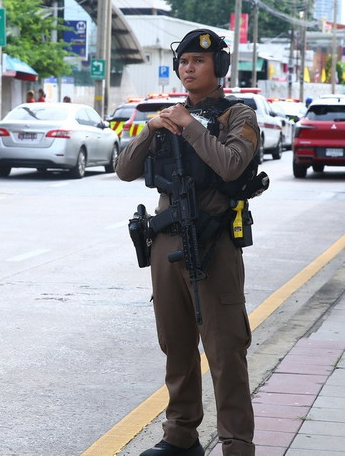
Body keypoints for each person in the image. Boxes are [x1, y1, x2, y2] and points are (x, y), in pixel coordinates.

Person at [116, 28, 260, 456]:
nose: (189, 67)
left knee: (225, 348)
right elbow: (125, 170)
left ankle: (236, 444)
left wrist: (190, 128)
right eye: (184, 62)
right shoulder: (168, 116)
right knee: (175, 343)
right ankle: (180, 436)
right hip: (166, 240)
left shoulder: (239, 116)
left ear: (219, 67)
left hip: (213, 242)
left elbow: (232, 165)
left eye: (199, 60)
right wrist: (151, 129)